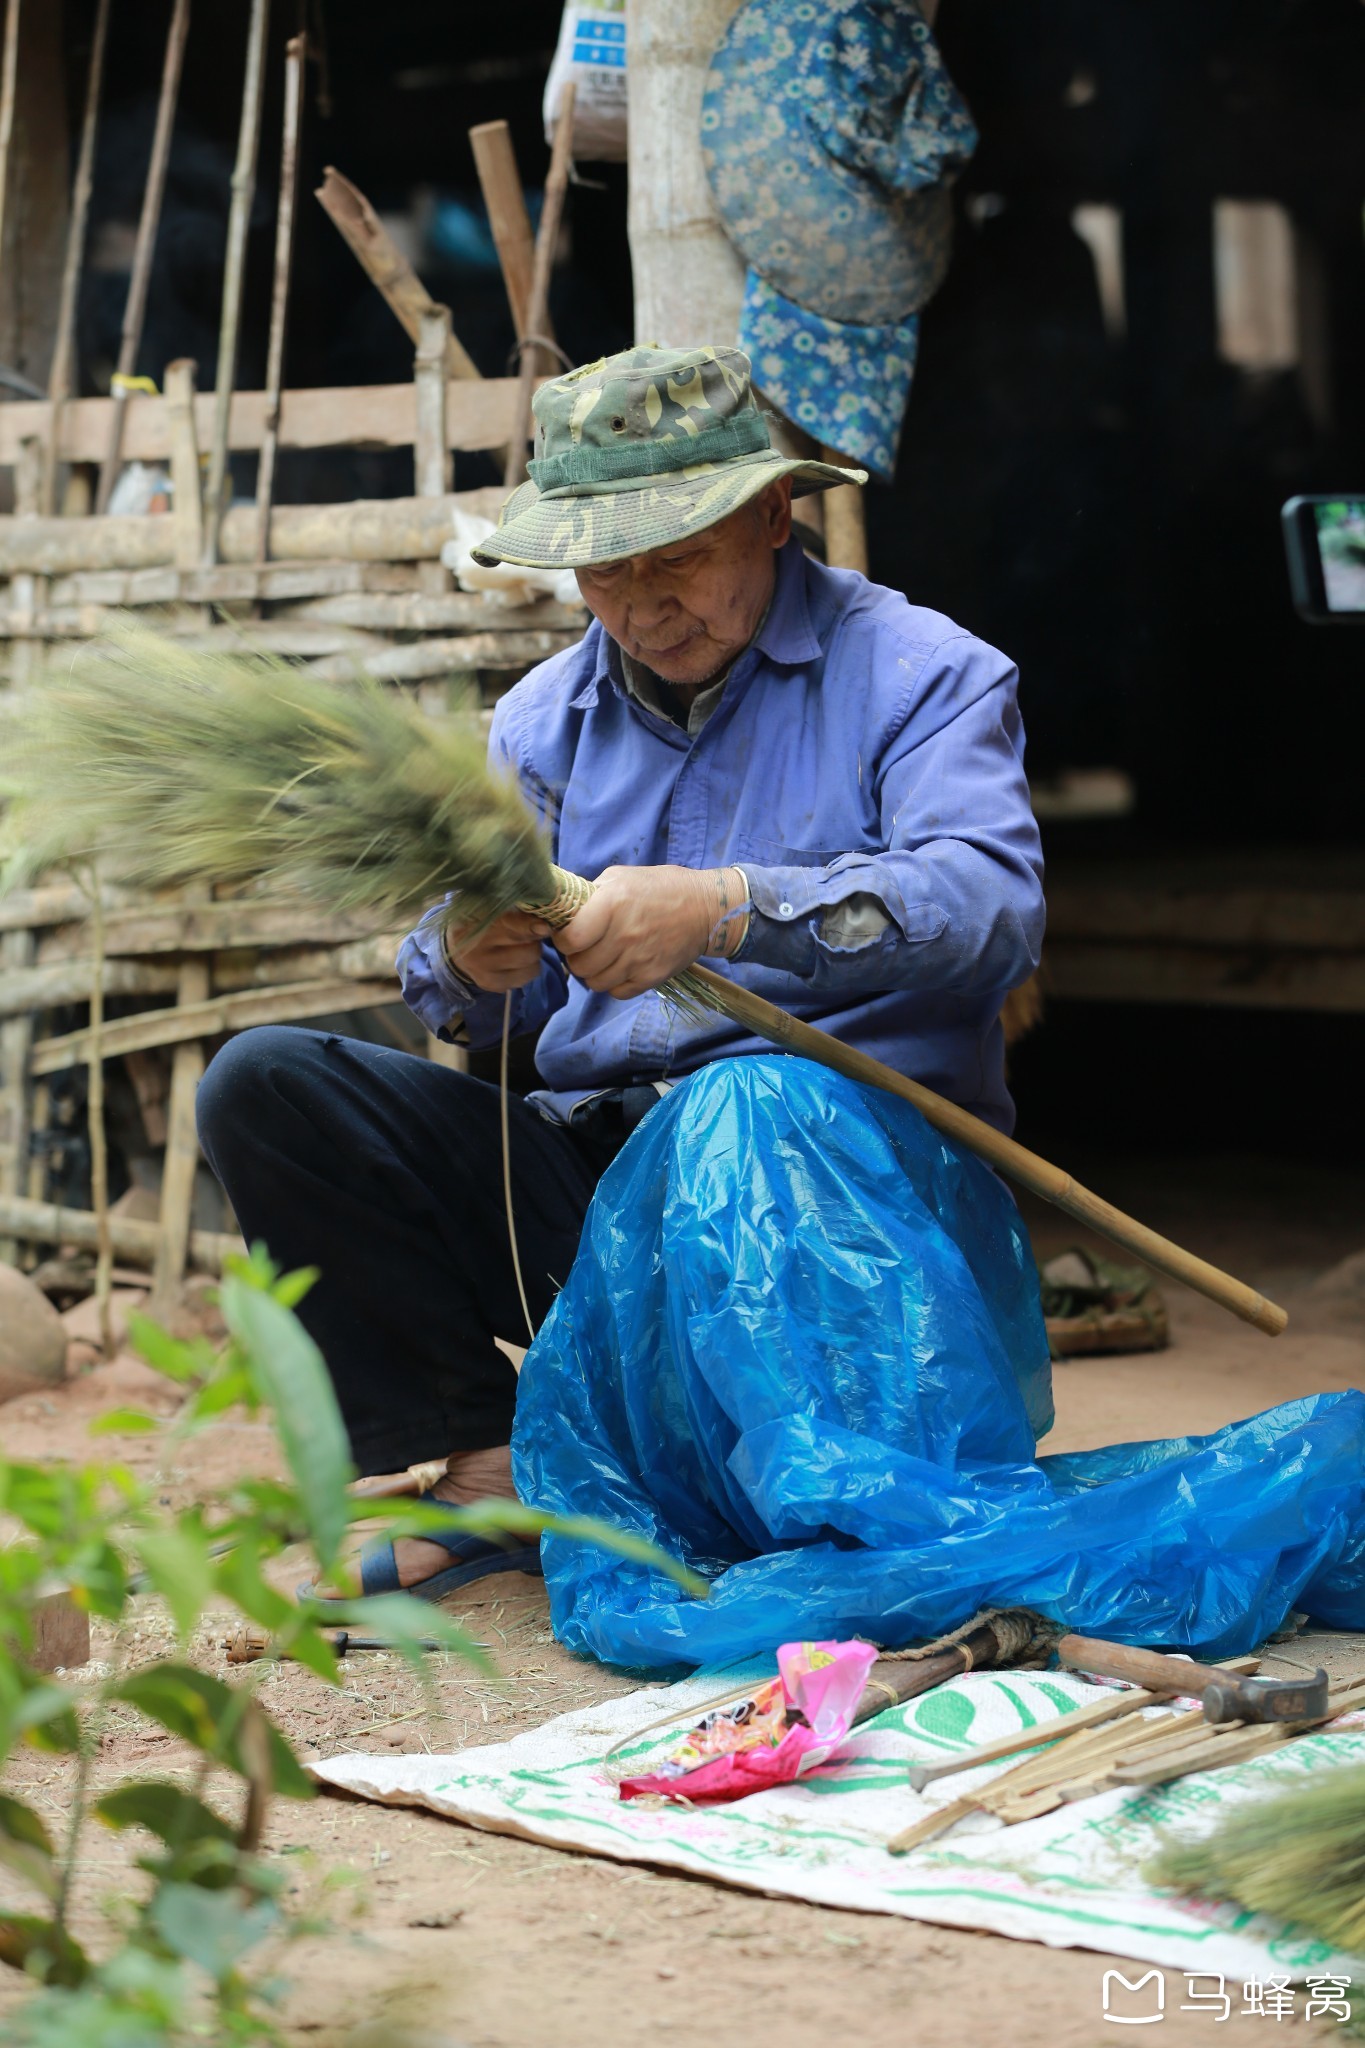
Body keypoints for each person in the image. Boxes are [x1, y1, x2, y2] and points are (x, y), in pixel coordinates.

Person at [197, 343, 1045, 1605]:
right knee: (262, 1082)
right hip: (613, 1184)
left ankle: (821, 1479)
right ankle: (492, 1465)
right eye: (606, 570)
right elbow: (472, 993)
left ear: (771, 513)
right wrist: (466, 953)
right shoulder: (542, 722)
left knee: (741, 1101)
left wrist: (727, 911)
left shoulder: (925, 673)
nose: (645, 606)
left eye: (678, 558)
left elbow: (991, 907)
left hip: (852, 1200)